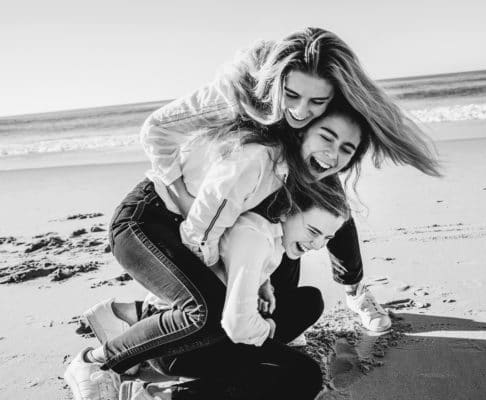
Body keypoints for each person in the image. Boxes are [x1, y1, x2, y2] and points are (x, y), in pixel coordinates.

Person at [141, 26, 440, 333]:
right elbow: (155, 129)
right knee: (267, 225)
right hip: (244, 168)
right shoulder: (233, 95)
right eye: (292, 95)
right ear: (276, 82)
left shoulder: (328, 97)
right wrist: (182, 197)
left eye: (316, 102)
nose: (300, 111)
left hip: (296, 158)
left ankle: (355, 291)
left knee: (332, 210)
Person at [65, 99, 363, 400]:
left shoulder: (270, 229)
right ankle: (115, 365)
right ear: (290, 208)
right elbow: (226, 302)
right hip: (186, 338)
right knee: (301, 374)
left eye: (326, 238)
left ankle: (150, 366)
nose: (317, 245)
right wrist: (265, 331)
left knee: (309, 302)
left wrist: (259, 284)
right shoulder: (255, 217)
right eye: (314, 232)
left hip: (211, 332)